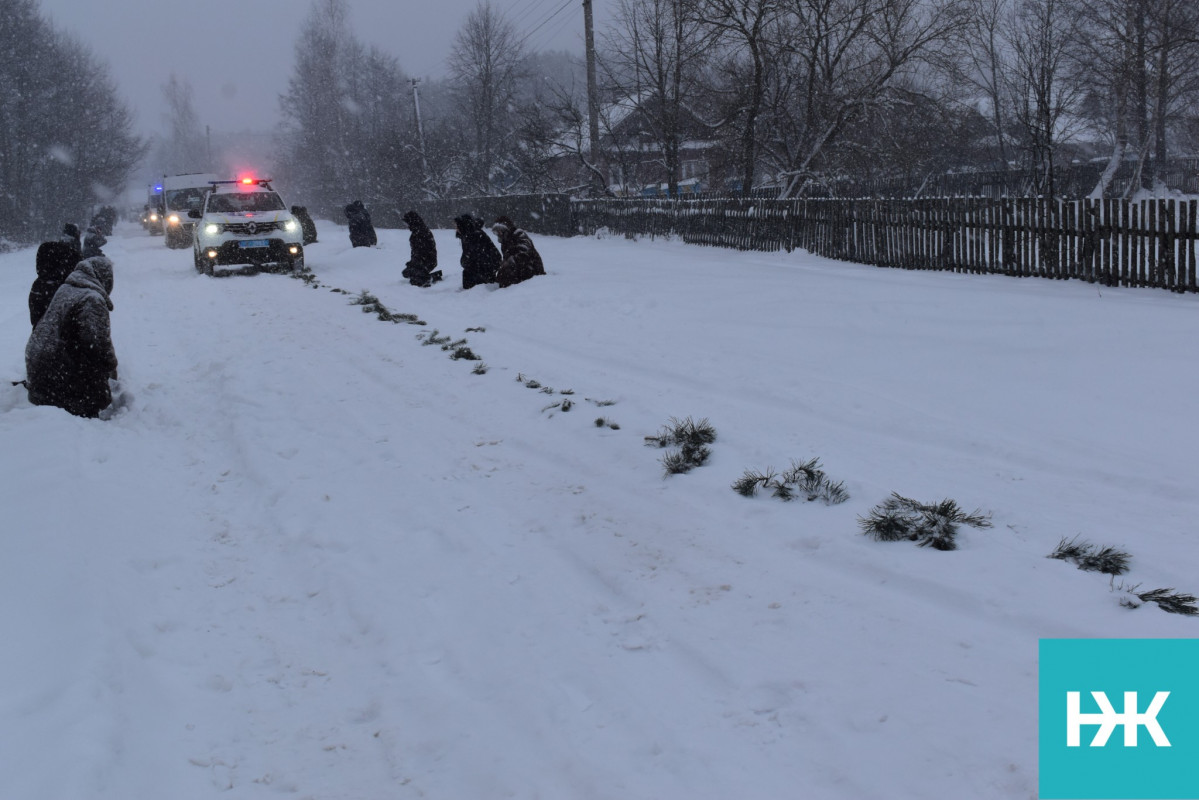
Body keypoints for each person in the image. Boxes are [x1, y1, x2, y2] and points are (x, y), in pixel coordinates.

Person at [25, 256, 119, 419]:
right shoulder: (91, 299)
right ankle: (82, 409)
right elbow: (97, 345)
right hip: (56, 381)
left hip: (39, 374)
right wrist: (111, 369)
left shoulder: (66, 289)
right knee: (98, 387)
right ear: (105, 278)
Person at [29, 239, 81, 328]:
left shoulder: (39, 284)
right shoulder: (68, 287)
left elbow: (36, 319)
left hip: (40, 337)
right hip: (61, 338)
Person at [491, 215, 546, 288]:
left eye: (500, 232)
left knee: (507, 272)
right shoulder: (505, 242)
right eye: (496, 233)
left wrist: (508, 264)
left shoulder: (519, 234)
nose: (498, 234)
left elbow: (524, 254)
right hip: (520, 269)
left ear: (506, 229)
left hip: (532, 270)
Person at [453, 213, 500, 290]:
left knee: (470, 274)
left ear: (462, 225)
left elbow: (474, 256)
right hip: (481, 268)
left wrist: (465, 262)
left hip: (485, 270)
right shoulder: (466, 235)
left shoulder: (474, 235)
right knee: (468, 273)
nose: (456, 228)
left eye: (457, 225)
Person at [401, 210, 442, 287]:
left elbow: (423, 252)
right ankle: (422, 274)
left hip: (427, 261)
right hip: (421, 261)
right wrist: (412, 263)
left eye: (407, 223)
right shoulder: (416, 232)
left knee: (416, 281)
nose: (406, 225)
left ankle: (431, 278)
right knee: (406, 273)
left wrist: (416, 264)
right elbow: (416, 253)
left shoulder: (421, 232)